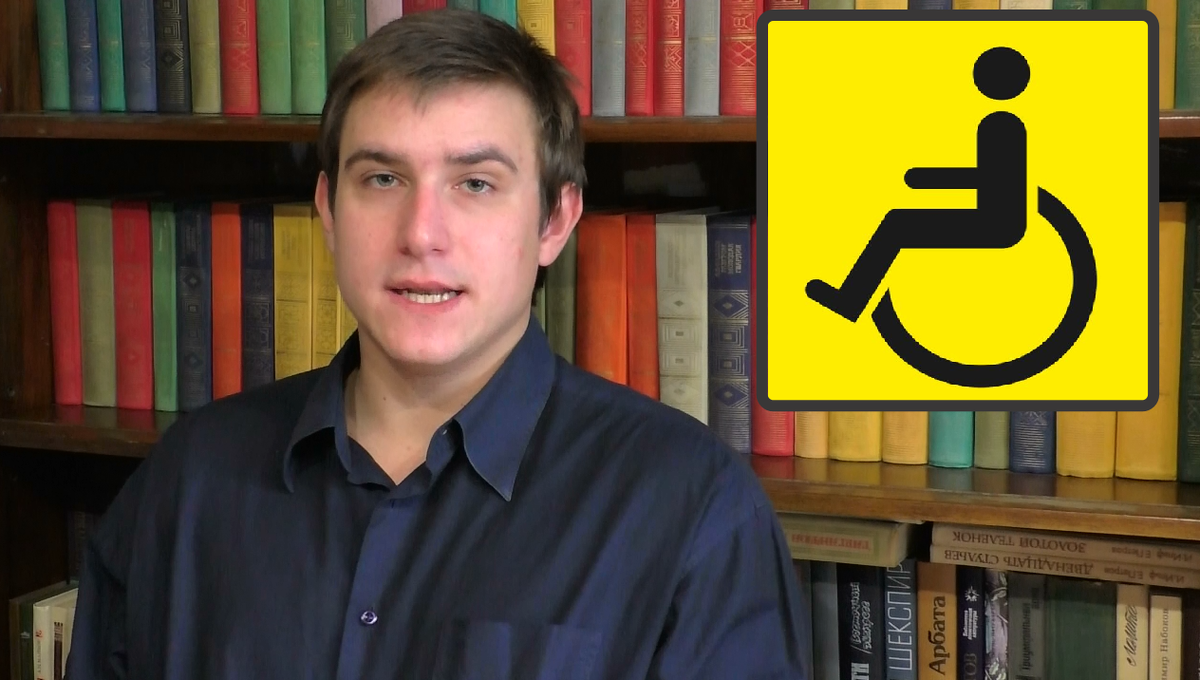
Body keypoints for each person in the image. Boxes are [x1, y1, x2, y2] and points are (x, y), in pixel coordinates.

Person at [65, 9, 811, 680]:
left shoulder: (693, 511)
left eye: (475, 184)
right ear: (329, 211)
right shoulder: (189, 480)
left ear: (554, 221)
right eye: (382, 179)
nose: (422, 234)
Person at [806, 45, 1031, 323]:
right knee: (897, 222)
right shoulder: (1002, 122)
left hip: (996, 224)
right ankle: (851, 299)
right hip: (992, 217)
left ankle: (851, 301)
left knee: (897, 224)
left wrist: (927, 178)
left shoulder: (1000, 125)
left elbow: (991, 180)